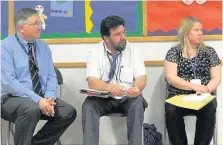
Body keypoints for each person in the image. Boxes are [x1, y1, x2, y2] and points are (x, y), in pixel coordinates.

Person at [1, 8, 76, 145]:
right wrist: (38, 100)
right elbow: (9, 82)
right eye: (35, 23)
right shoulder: (6, 47)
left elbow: (51, 76)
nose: (39, 26)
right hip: (11, 100)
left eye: (40, 23)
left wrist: (49, 97)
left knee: (68, 112)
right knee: (31, 108)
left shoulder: (43, 47)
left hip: (41, 99)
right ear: (21, 27)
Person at [82, 15, 148, 145]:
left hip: (127, 96)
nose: (123, 37)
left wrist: (137, 88)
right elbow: (92, 81)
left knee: (137, 102)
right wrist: (109, 87)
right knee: (88, 105)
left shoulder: (134, 50)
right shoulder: (94, 52)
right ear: (106, 38)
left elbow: (141, 77)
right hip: (103, 98)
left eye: (123, 32)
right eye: (117, 34)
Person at [164, 16, 221, 145]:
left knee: (210, 107)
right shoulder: (174, 52)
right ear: (186, 32)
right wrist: (193, 87)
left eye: (201, 30)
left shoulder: (209, 52)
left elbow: (216, 77)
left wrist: (205, 89)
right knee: (171, 110)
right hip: (179, 95)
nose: (200, 33)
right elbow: (171, 77)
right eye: (196, 30)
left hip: (203, 94)